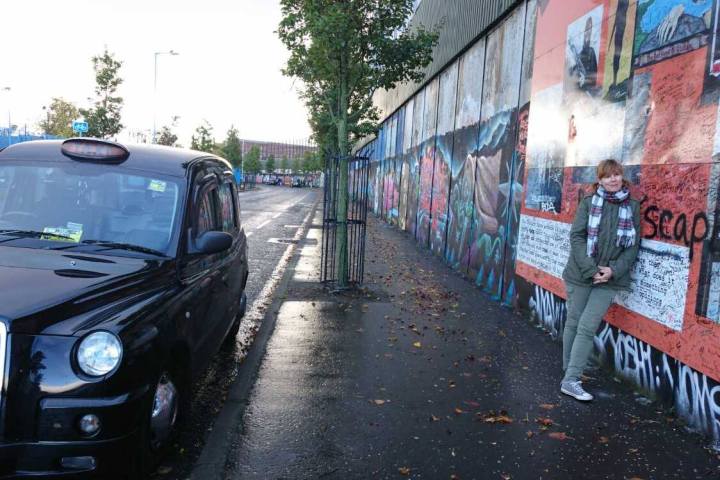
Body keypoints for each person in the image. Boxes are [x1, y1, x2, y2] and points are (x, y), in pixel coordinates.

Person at [560, 159, 640, 401]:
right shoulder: (588, 203)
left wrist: (612, 271)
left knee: (587, 325)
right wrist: (591, 269)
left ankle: (571, 379)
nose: (613, 179)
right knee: (573, 322)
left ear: (621, 176)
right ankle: (570, 371)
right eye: (607, 176)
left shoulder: (632, 206)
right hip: (580, 274)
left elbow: (633, 245)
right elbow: (577, 237)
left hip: (610, 278)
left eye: (616, 174)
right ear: (600, 180)